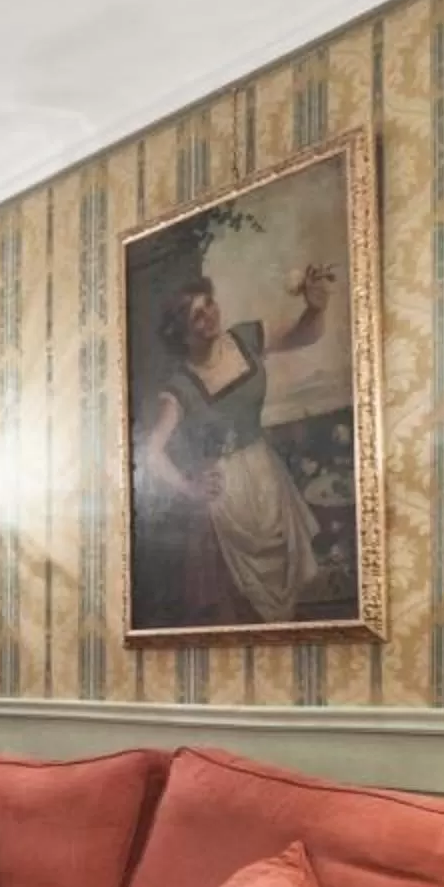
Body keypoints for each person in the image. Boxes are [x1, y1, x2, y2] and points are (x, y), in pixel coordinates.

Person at [134, 264, 335, 625]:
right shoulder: (182, 386)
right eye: (196, 315)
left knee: (291, 584)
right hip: (229, 494)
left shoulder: (246, 338)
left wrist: (315, 308)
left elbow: (305, 335)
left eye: (208, 303)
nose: (208, 315)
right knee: (248, 606)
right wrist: (190, 489)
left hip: (268, 473)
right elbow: (150, 453)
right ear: (180, 332)